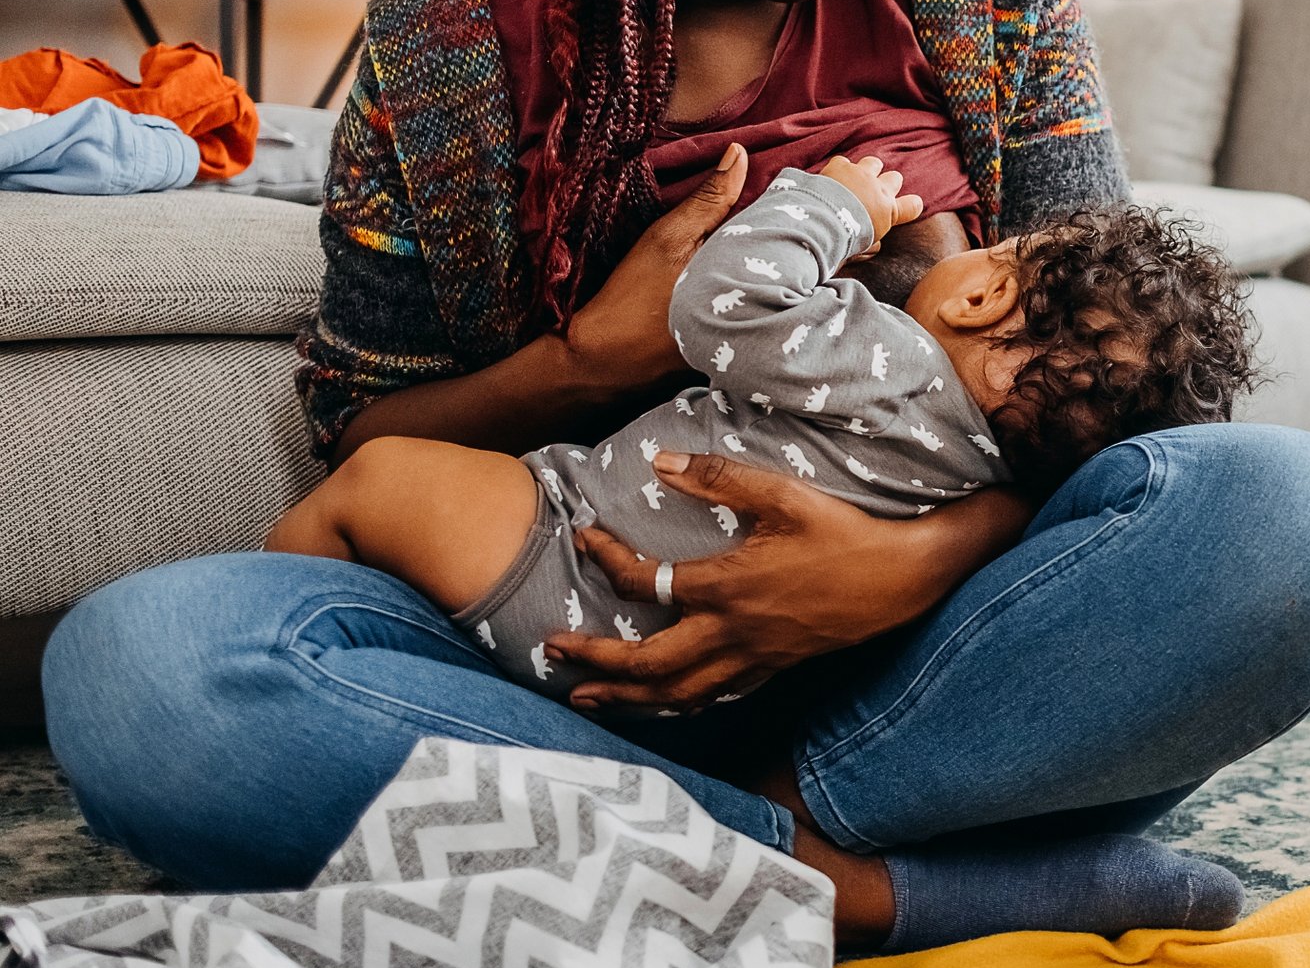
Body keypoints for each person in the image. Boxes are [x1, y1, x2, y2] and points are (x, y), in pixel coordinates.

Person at [39, 0, 1310, 955]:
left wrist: (902, 567)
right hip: (573, 648)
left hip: (930, 655)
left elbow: (1106, 377)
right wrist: (582, 357)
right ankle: (846, 879)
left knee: (1294, 515)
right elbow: (366, 433)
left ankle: (690, 846)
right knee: (147, 668)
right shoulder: (448, 46)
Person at [267, 151, 1257, 706]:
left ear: (984, 294)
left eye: (997, 248)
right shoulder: (971, 465)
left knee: (379, 480)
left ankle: (272, 621)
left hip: (570, 561)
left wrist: (837, 204)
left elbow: (722, 300)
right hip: (698, 683)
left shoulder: (888, 359)